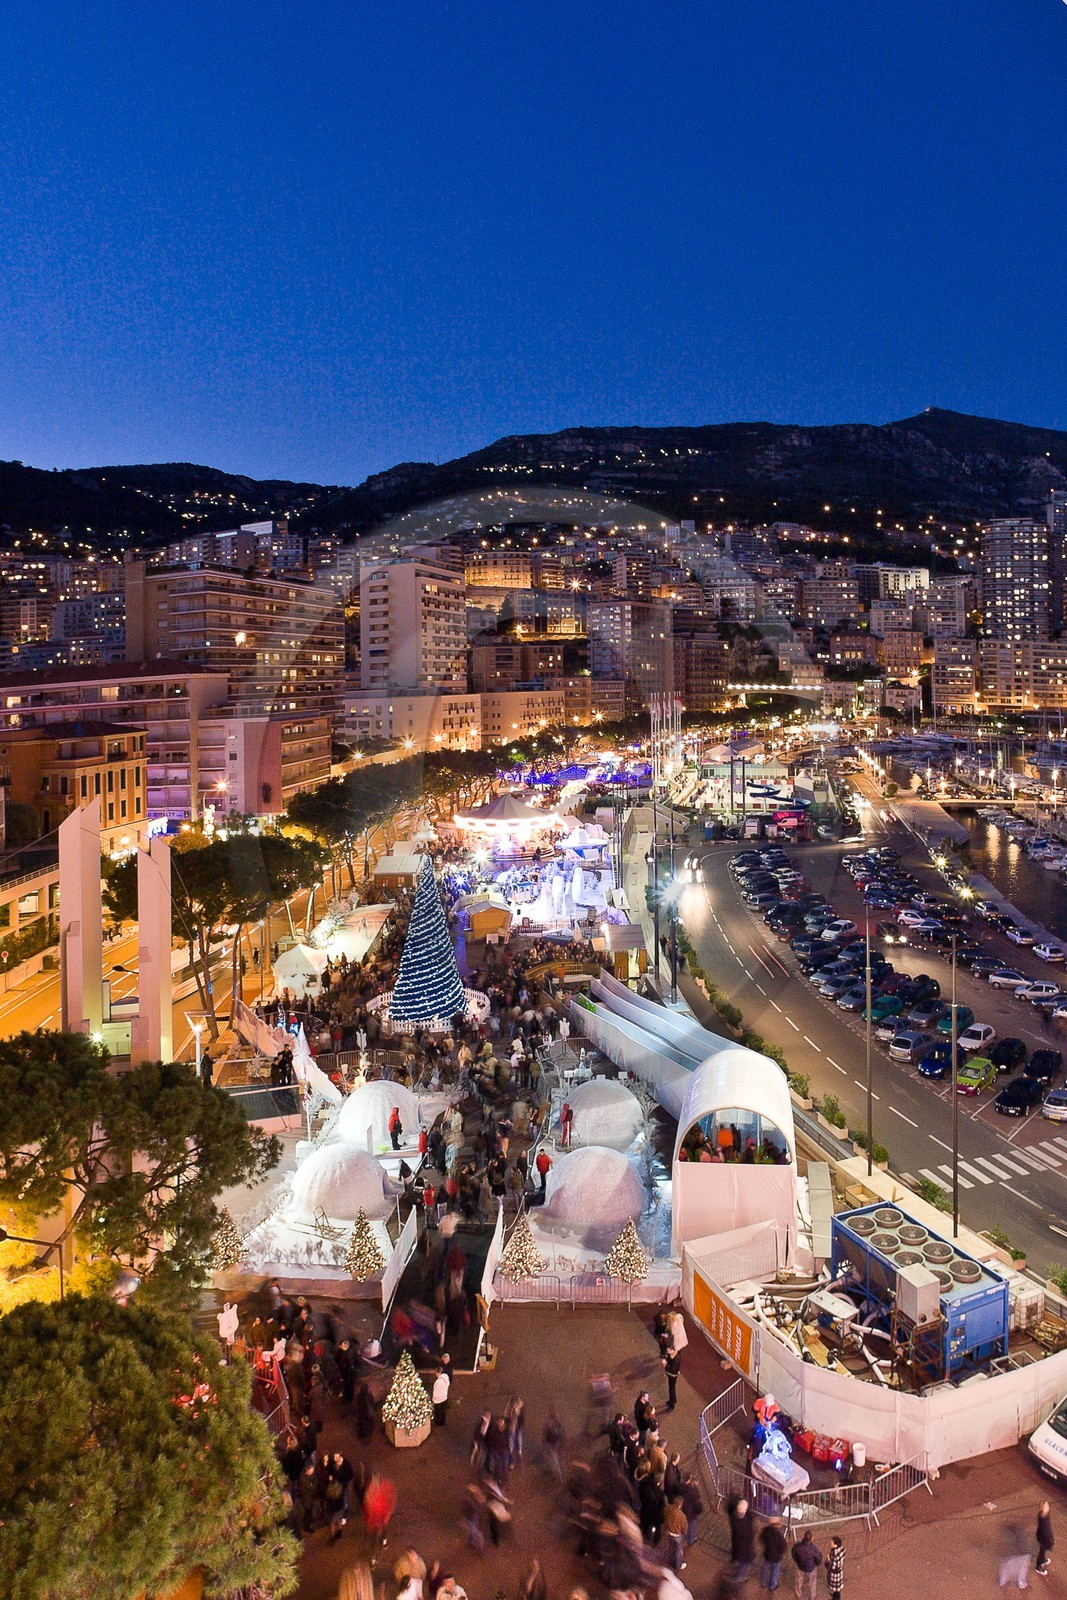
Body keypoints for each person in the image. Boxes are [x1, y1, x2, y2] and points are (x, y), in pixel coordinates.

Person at [728, 1495, 756, 1583]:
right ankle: (740, 1577)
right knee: (743, 1564)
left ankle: (741, 1575)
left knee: (742, 1563)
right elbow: (750, 1535)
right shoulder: (745, 1523)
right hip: (744, 1549)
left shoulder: (734, 1518)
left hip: (739, 1547)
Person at [791, 1530, 823, 1600]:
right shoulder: (814, 1548)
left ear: (804, 1537)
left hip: (800, 1566)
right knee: (812, 1582)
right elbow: (818, 1558)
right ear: (811, 1538)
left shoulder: (797, 1546)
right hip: (811, 1568)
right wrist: (818, 1564)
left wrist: (796, 1560)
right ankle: (812, 1596)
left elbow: (793, 1554)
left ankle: (798, 1594)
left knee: (799, 1581)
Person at [760, 1516, 787, 1592]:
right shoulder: (779, 1535)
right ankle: (772, 1585)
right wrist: (781, 1552)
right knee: (775, 1571)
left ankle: (763, 1582)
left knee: (765, 1568)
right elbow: (783, 1546)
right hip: (777, 1556)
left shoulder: (765, 1531)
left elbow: (761, 1539)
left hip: (767, 1554)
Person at [664, 1495, 688, 1571]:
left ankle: (669, 1557)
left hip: (668, 1531)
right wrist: (685, 1533)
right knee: (678, 1550)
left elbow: (665, 1516)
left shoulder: (667, 1508)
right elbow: (684, 1527)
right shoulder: (682, 1515)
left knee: (670, 1546)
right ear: (680, 1505)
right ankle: (678, 1565)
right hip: (677, 1534)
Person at [1037, 1501, 1055, 1576]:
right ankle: (1038, 1566)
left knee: (1043, 1550)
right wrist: (1050, 1540)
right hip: (1043, 1537)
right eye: (1046, 1505)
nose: (1048, 1506)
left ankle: (1042, 1560)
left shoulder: (1046, 1514)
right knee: (1042, 1551)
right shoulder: (1043, 1517)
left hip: (1044, 1536)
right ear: (1043, 1508)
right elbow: (1045, 1530)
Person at [825, 1535, 845, 1600]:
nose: (831, 1543)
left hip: (835, 1573)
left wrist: (828, 1560)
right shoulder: (842, 1549)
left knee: (835, 1588)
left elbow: (832, 1566)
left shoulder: (834, 1553)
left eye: (832, 1542)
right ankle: (835, 1596)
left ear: (835, 1544)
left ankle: (835, 1598)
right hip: (840, 1570)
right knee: (837, 1588)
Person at [663, 1345, 681, 1411]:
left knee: (671, 1389)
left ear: (673, 1350)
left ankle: (672, 1405)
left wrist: (666, 1365)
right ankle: (674, 1399)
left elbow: (673, 1370)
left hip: (673, 1376)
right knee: (672, 1388)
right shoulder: (672, 1355)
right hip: (671, 1375)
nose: (667, 1352)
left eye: (669, 1351)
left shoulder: (676, 1360)